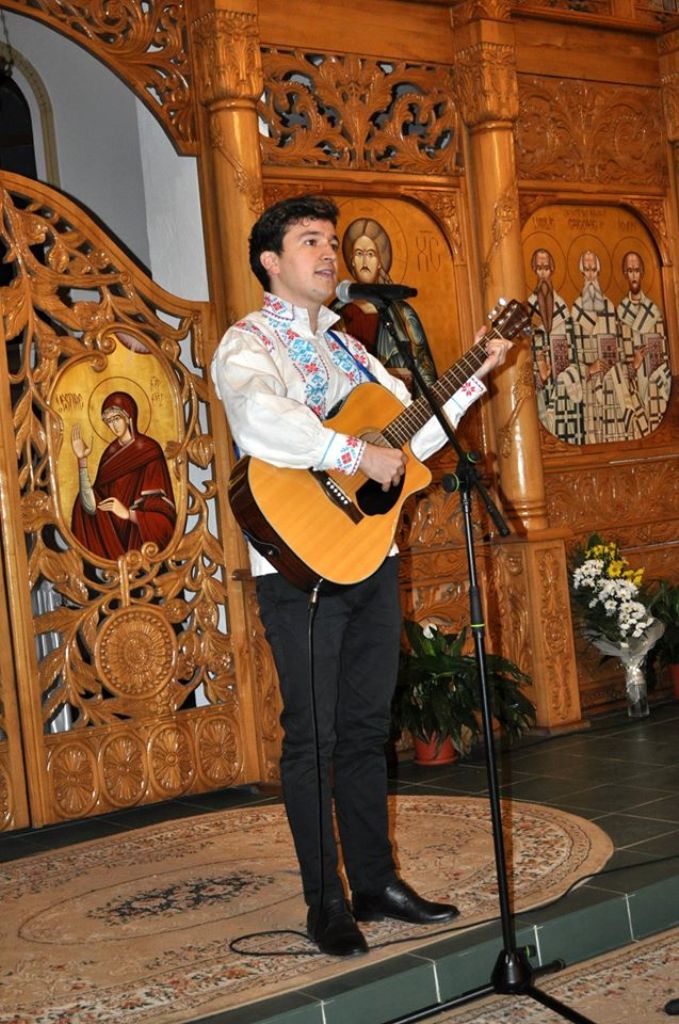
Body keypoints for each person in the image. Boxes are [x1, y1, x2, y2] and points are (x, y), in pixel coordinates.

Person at [210, 195, 512, 958]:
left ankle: (374, 883)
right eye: (310, 241)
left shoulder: (353, 351)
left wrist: (472, 375)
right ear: (270, 261)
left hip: (370, 558)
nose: (328, 254)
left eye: (332, 242)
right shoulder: (248, 342)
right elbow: (260, 421)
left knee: (366, 730)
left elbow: (410, 431)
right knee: (312, 737)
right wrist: (350, 453)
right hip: (297, 568)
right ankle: (325, 903)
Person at [332, 216, 437, 396]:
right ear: (352, 261)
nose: (365, 261)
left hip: (400, 406)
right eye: (359, 254)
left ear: (380, 262)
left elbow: (423, 368)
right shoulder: (336, 314)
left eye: (371, 254)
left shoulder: (403, 314)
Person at [71, 391, 176, 559]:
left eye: (116, 418)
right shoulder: (110, 454)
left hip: (138, 538)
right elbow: (93, 505)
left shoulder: (150, 451)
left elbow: (163, 515)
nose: (113, 426)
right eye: (108, 421)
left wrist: (128, 514)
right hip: (111, 535)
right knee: (79, 501)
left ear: (128, 417)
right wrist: (82, 460)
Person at [527, 248, 584, 445]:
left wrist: (568, 373)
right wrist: (539, 375)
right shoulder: (528, 310)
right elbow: (523, 360)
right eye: (539, 268)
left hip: (564, 391)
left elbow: (574, 352)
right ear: (534, 270)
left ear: (552, 270)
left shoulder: (563, 309)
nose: (543, 273)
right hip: (541, 392)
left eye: (546, 268)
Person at [616, 250, 670, 433]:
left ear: (643, 273)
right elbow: (617, 365)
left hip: (656, 390)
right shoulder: (620, 315)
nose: (634, 276)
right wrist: (635, 364)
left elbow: (667, 356)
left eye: (637, 270)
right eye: (630, 271)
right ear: (625, 274)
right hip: (634, 392)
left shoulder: (654, 313)